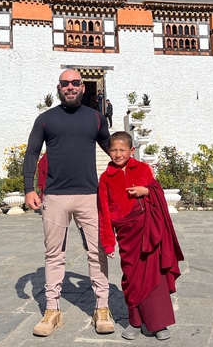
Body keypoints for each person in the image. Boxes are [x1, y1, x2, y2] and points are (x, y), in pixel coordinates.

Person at [24, 69, 114, 337]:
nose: (71, 87)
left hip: (89, 196)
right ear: (58, 87)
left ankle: (102, 308)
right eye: (65, 83)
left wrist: (133, 171)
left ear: (83, 88)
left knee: (97, 252)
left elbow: (113, 149)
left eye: (76, 83)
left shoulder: (96, 119)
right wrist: (29, 188)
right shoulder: (45, 119)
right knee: (53, 255)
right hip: (55, 197)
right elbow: (31, 152)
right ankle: (52, 309)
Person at [98, 131, 183, 341]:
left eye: (122, 150)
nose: (118, 154)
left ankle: (158, 324)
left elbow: (156, 191)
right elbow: (104, 213)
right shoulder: (105, 178)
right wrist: (108, 243)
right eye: (114, 150)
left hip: (149, 232)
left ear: (131, 150)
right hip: (127, 235)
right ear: (108, 151)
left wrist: (146, 191)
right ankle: (135, 323)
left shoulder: (144, 169)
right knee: (132, 278)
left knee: (155, 279)